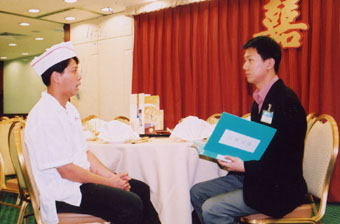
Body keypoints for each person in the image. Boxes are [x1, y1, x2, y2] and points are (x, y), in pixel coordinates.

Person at [25, 41, 161, 224]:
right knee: (130, 204)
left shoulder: (69, 110)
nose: (79, 77)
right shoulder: (44, 115)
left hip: (79, 184)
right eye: (73, 71)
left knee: (140, 189)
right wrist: (109, 182)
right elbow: (66, 170)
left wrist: (111, 177)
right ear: (56, 77)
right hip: (63, 193)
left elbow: (85, 153)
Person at [190, 36, 307, 224]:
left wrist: (244, 166)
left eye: (250, 60)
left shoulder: (285, 102)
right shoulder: (260, 101)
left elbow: (285, 157)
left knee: (213, 209)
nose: (244, 66)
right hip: (257, 176)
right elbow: (259, 146)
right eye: (245, 60)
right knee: (197, 192)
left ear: (269, 63)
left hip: (279, 186)